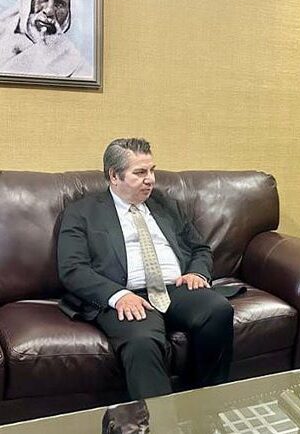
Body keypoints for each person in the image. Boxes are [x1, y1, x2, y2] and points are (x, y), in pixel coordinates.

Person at [57, 138, 234, 400]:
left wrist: (197, 273)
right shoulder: (82, 213)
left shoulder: (166, 205)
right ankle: (160, 420)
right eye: (140, 173)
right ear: (114, 176)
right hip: (124, 295)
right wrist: (118, 296)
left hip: (175, 288)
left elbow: (200, 248)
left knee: (217, 310)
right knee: (142, 341)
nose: (150, 179)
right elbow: (72, 268)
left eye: (152, 170)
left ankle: (204, 405)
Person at [0, 0, 89, 77]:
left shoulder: (77, 67)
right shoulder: (2, 30)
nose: (49, 11)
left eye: (59, 4)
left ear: (69, 13)